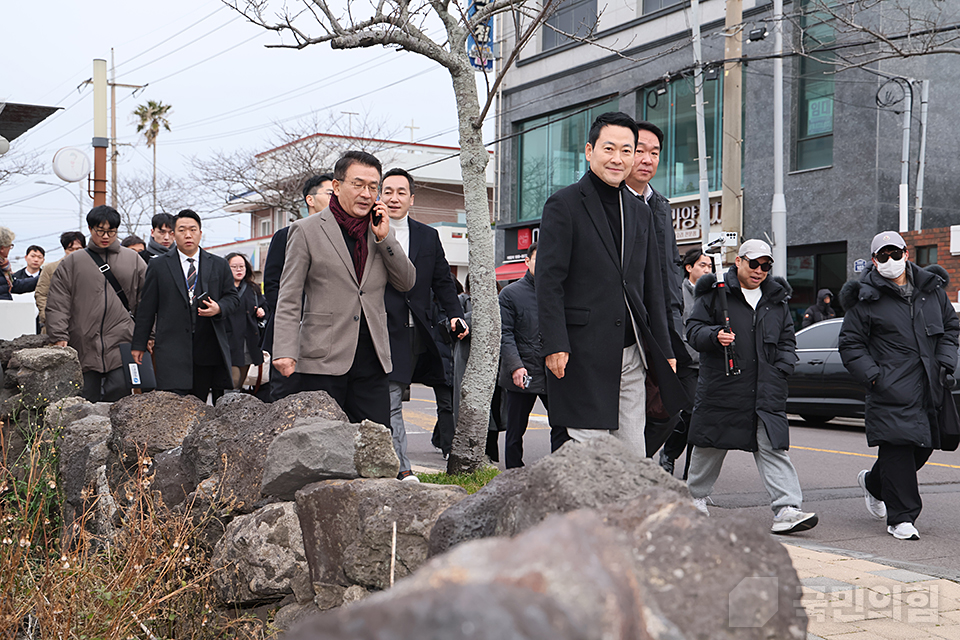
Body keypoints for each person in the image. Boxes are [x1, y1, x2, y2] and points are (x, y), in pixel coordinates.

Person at [535, 111, 683, 457]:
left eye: (627, 150)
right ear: (589, 151)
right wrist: (554, 343)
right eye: (609, 148)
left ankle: (622, 513)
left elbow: (653, 288)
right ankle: (589, 512)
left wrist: (666, 349)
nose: (618, 159)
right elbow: (549, 280)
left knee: (632, 450)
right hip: (581, 350)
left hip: (632, 350)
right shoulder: (564, 204)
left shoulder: (640, 211)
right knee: (591, 449)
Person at [272, 151, 415, 428]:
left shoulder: (381, 230)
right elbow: (289, 296)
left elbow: (406, 282)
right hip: (322, 357)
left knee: (374, 444)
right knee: (321, 443)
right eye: (358, 184)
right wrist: (285, 350)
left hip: (372, 356)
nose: (367, 193)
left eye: (373, 187)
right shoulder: (306, 230)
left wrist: (386, 239)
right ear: (337, 187)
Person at [685, 239, 818, 534]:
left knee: (773, 446)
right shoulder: (714, 293)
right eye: (754, 263)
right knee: (710, 444)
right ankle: (693, 497)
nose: (759, 270)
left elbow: (787, 341)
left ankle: (787, 508)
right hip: (724, 385)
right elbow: (693, 331)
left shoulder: (777, 300)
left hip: (766, 387)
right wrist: (714, 334)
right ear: (739, 261)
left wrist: (783, 367)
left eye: (765, 265)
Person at [839, 231, 960, 541]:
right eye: (883, 255)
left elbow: (950, 327)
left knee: (923, 447)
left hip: (929, 386)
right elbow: (851, 344)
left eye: (895, 253)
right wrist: (875, 376)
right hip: (889, 388)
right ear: (874, 259)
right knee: (898, 452)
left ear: (907, 253)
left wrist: (945, 362)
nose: (890, 260)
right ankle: (902, 518)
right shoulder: (865, 297)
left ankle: (874, 484)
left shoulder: (931, 290)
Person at [381, 168, 466, 479]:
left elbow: (443, 279)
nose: (393, 198)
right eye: (388, 191)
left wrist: (454, 312)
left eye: (401, 192)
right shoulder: (367, 231)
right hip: (379, 329)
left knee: (400, 394)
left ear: (411, 198)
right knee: (391, 398)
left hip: (417, 330)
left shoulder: (428, 235)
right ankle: (402, 469)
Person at [624, 119, 695, 460]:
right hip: (626, 327)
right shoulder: (613, 200)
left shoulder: (660, 205)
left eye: (655, 153)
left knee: (673, 402)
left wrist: (674, 329)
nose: (647, 159)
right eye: (640, 151)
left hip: (662, 328)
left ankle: (634, 464)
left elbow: (669, 271)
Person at [132, 210, 240, 403]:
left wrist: (219, 308)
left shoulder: (218, 264)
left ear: (200, 233)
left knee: (201, 406)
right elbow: (146, 308)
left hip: (207, 348)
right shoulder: (158, 266)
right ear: (173, 234)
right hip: (171, 349)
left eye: (193, 230)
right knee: (171, 406)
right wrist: (139, 344)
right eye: (182, 230)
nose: (188, 235)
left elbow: (232, 298)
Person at [45, 206, 147, 402]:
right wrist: (58, 335)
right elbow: (58, 302)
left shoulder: (134, 260)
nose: (106, 236)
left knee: (120, 397)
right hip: (82, 343)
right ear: (90, 229)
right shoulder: (73, 262)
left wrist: (147, 335)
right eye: (100, 230)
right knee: (84, 399)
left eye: (111, 231)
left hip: (122, 342)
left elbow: (148, 301)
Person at [261, 173, 334, 401]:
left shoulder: (341, 238)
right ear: (310, 200)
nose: (336, 199)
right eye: (330, 193)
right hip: (292, 333)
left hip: (329, 338)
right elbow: (273, 285)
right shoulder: (286, 235)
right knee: (284, 399)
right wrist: (297, 317)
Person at [499, 242, 555, 468]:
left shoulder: (559, 292)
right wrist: (515, 366)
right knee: (515, 429)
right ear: (527, 261)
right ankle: (513, 473)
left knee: (561, 426)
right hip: (523, 372)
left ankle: (558, 471)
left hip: (553, 369)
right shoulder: (510, 294)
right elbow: (505, 333)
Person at [659, 248, 714, 475]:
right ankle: (669, 454)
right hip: (686, 364)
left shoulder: (712, 294)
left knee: (703, 421)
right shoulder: (678, 292)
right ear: (689, 267)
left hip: (709, 366)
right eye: (703, 265)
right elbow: (675, 328)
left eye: (710, 266)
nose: (707, 270)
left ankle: (692, 472)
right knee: (689, 414)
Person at [224, 252, 267, 389]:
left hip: (248, 341)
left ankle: (234, 406)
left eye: (242, 266)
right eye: (234, 267)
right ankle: (227, 406)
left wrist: (261, 312)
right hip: (229, 340)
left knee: (241, 381)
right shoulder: (221, 288)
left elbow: (263, 308)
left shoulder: (253, 288)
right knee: (232, 380)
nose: (239, 270)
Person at [35, 232, 85, 332]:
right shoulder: (50, 268)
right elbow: (41, 294)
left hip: (84, 325)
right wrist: (47, 317)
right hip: (55, 324)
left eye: (78, 249)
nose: (74, 252)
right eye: (70, 249)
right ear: (64, 249)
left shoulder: (92, 268)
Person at [1, 227, 37, 300]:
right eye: (10, 246)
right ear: (2, 248)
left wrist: (42, 279)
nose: (10, 249)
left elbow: (15, 285)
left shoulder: (4, 266)